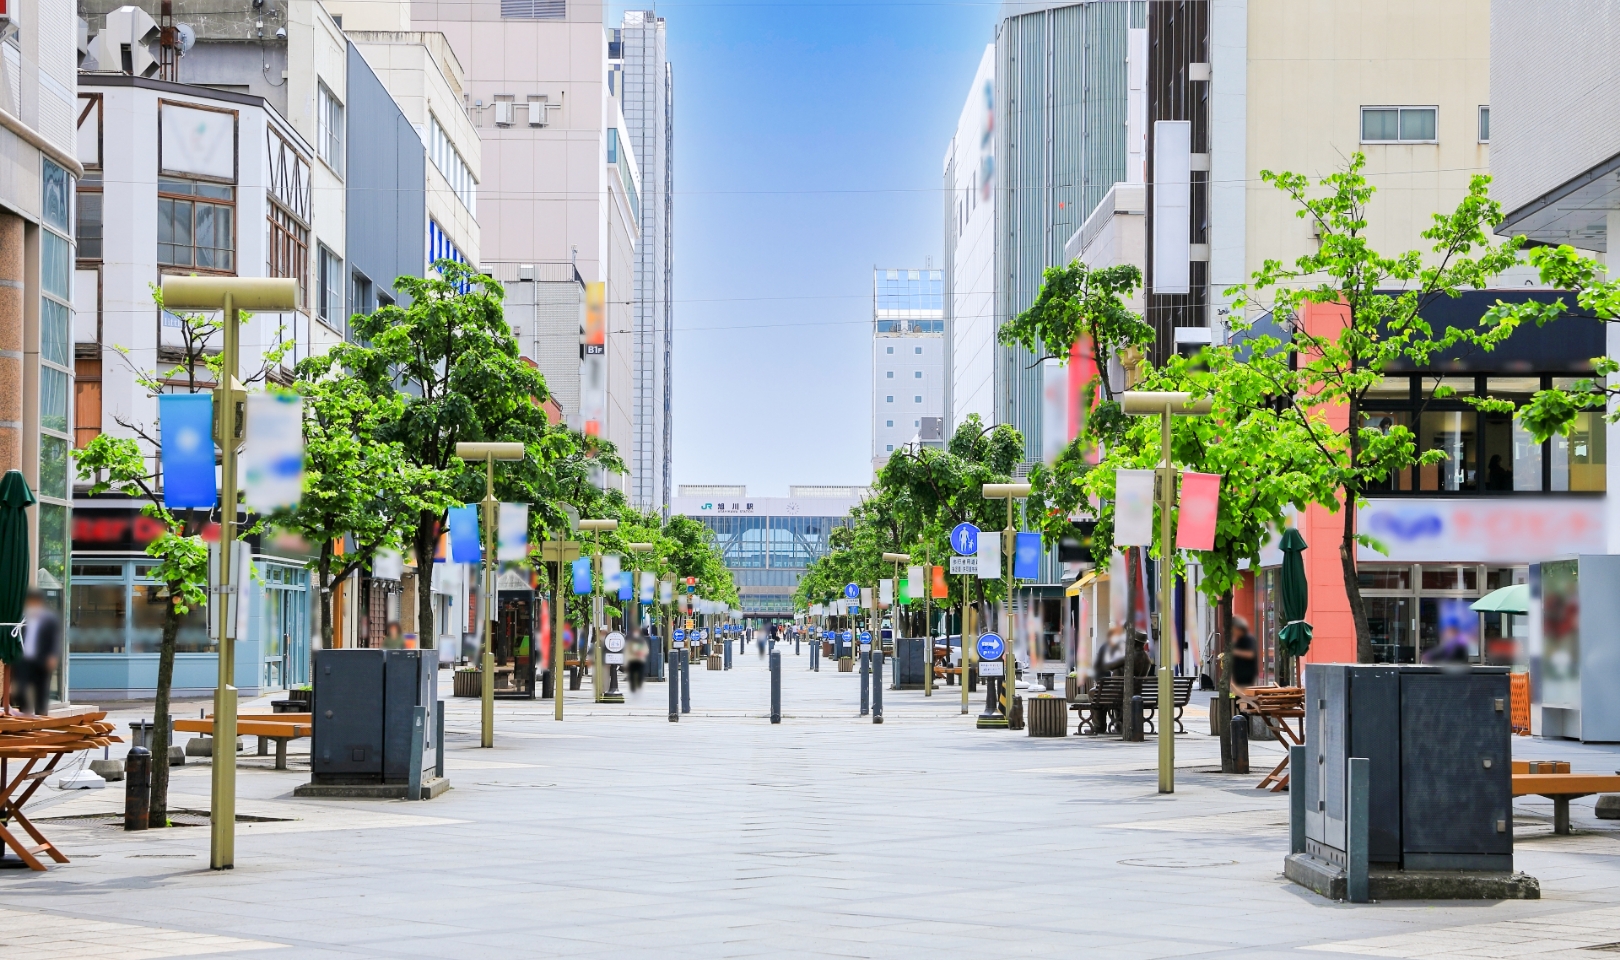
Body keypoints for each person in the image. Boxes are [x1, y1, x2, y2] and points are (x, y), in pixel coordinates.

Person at [16, 590, 60, 717]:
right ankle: (24, 719)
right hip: (24, 661)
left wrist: (52, 655)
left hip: (42, 660)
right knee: (21, 689)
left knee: (41, 692)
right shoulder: (22, 618)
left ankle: (41, 721)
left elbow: (54, 639)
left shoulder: (49, 619)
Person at [1229, 616, 1259, 692]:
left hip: (1246, 677)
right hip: (1239, 677)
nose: (1232, 632)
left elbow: (1250, 654)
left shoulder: (1248, 639)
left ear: (1238, 629)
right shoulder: (1239, 640)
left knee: (1244, 699)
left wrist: (1234, 652)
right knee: (1239, 698)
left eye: (1233, 629)